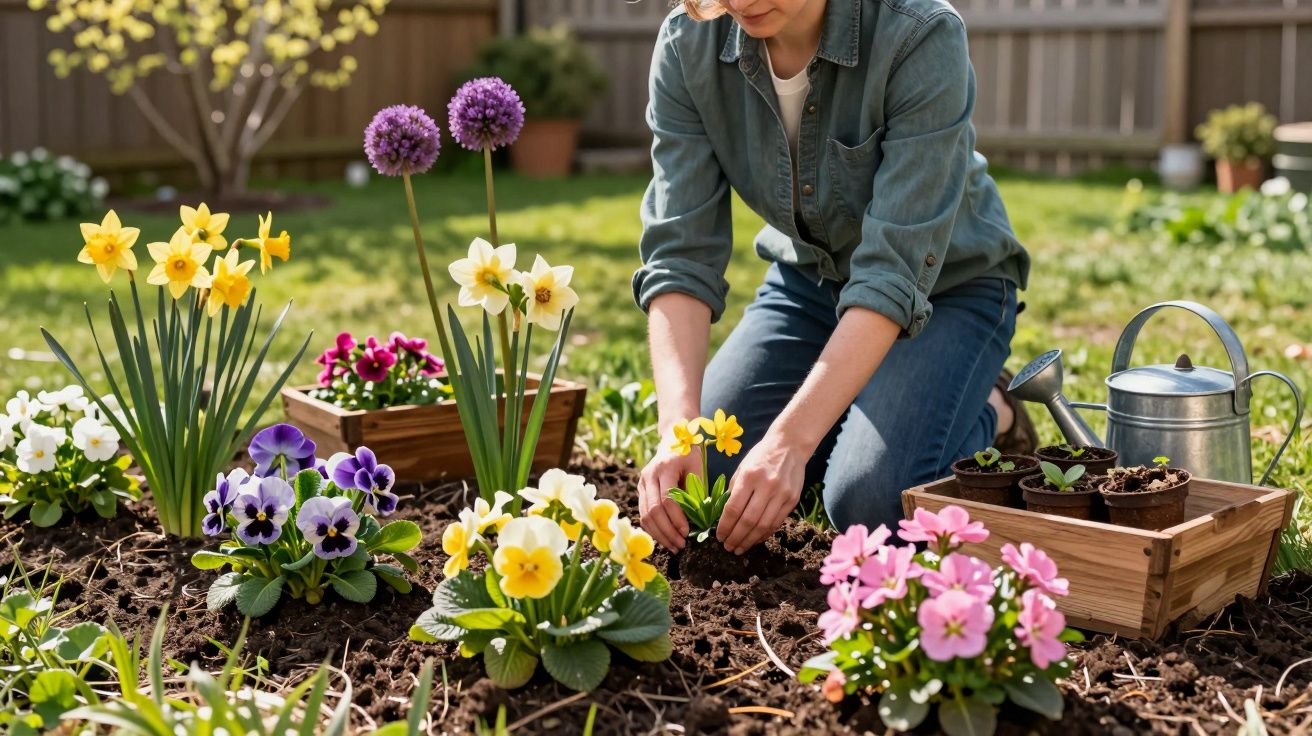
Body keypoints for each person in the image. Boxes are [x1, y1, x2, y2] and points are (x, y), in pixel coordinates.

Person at [632, 0, 1036, 554]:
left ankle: (995, 406)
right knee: (710, 471)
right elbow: (680, 256)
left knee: (867, 504)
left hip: (950, 291)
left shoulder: (919, 34)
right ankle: (853, 403)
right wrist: (678, 430)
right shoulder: (687, 46)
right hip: (810, 285)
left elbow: (895, 269)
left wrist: (792, 442)